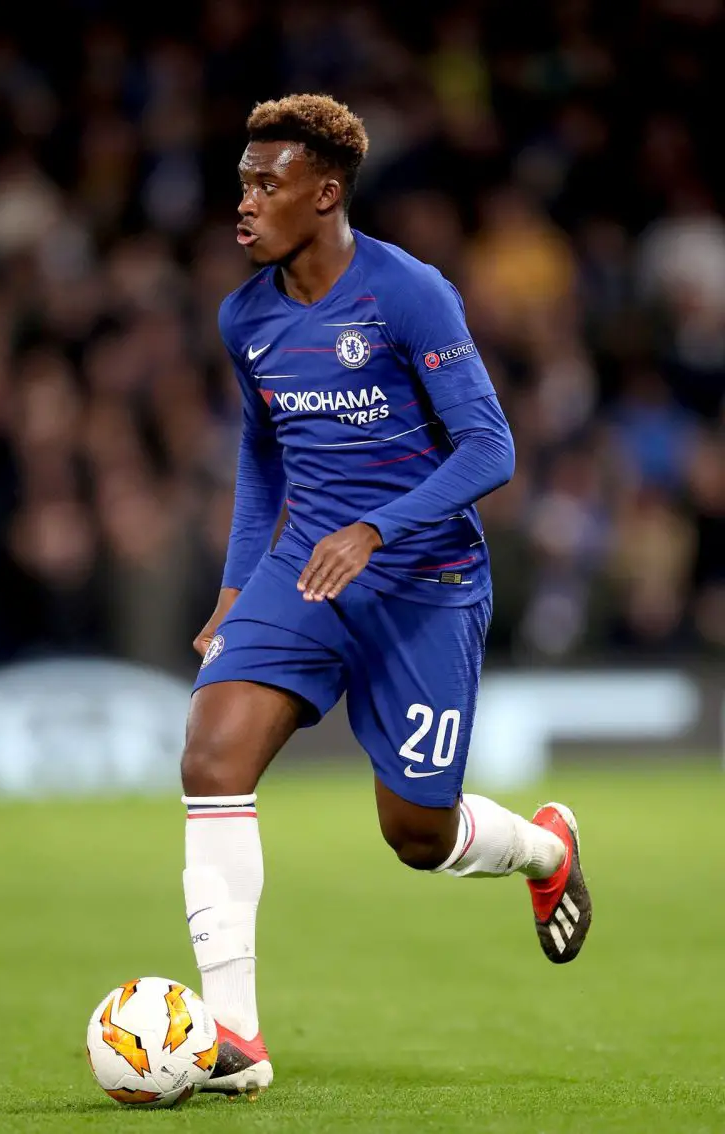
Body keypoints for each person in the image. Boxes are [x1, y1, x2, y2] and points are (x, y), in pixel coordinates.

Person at [181, 94, 592, 1098]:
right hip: (304, 573)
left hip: (422, 583)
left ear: (325, 194)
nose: (244, 202)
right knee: (211, 756)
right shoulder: (245, 317)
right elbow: (263, 457)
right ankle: (235, 1037)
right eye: (241, 182)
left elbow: (490, 448)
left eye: (266, 184)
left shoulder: (409, 294)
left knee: (417, 835)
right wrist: (234, 588)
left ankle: (545, 848)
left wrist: (376, 528)